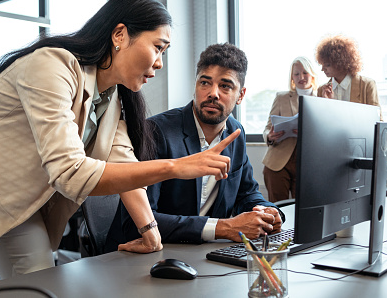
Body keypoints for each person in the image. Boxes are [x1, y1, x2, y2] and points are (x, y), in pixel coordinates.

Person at [0, 0, 240, 295]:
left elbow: (123, 162)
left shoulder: (111, 98)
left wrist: (149, 230)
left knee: (42, 283)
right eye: (158, 47)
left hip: (14, 201)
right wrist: (174, 167)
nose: (159, 62)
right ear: (120, 35)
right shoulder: (52, 65)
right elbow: (68, 172)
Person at [105, 43, 283, 251]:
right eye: (205, 83)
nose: (213, 93)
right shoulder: (156, 132)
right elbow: (137, 223)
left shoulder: (236, 133)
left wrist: (268, 211)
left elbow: (247, 193)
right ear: (196, 86)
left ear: (241, 95)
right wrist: (223, 228)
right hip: (142, 255)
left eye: (225, 86)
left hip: (200, 254)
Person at [315, 34, 387, 174]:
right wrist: (326, 104)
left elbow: (377, 122)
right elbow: (320, 129)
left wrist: (381, 156)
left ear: (341, 61)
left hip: (364, 149)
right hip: (334, 151)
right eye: (322, 64)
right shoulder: (321, 90)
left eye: (327, 64)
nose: (322, 69)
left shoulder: (367, 84)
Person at [262, 57, 318, 202]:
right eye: (296, 74)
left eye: (305, 72)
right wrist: (270, 136)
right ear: (292, 77)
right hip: (278, 163)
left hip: (308, 163)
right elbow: (268, 127)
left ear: (312, 74)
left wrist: (308, 134)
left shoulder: (321, 99)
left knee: (303, 208)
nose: (301, 77)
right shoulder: (281, 97)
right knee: (277, 208)